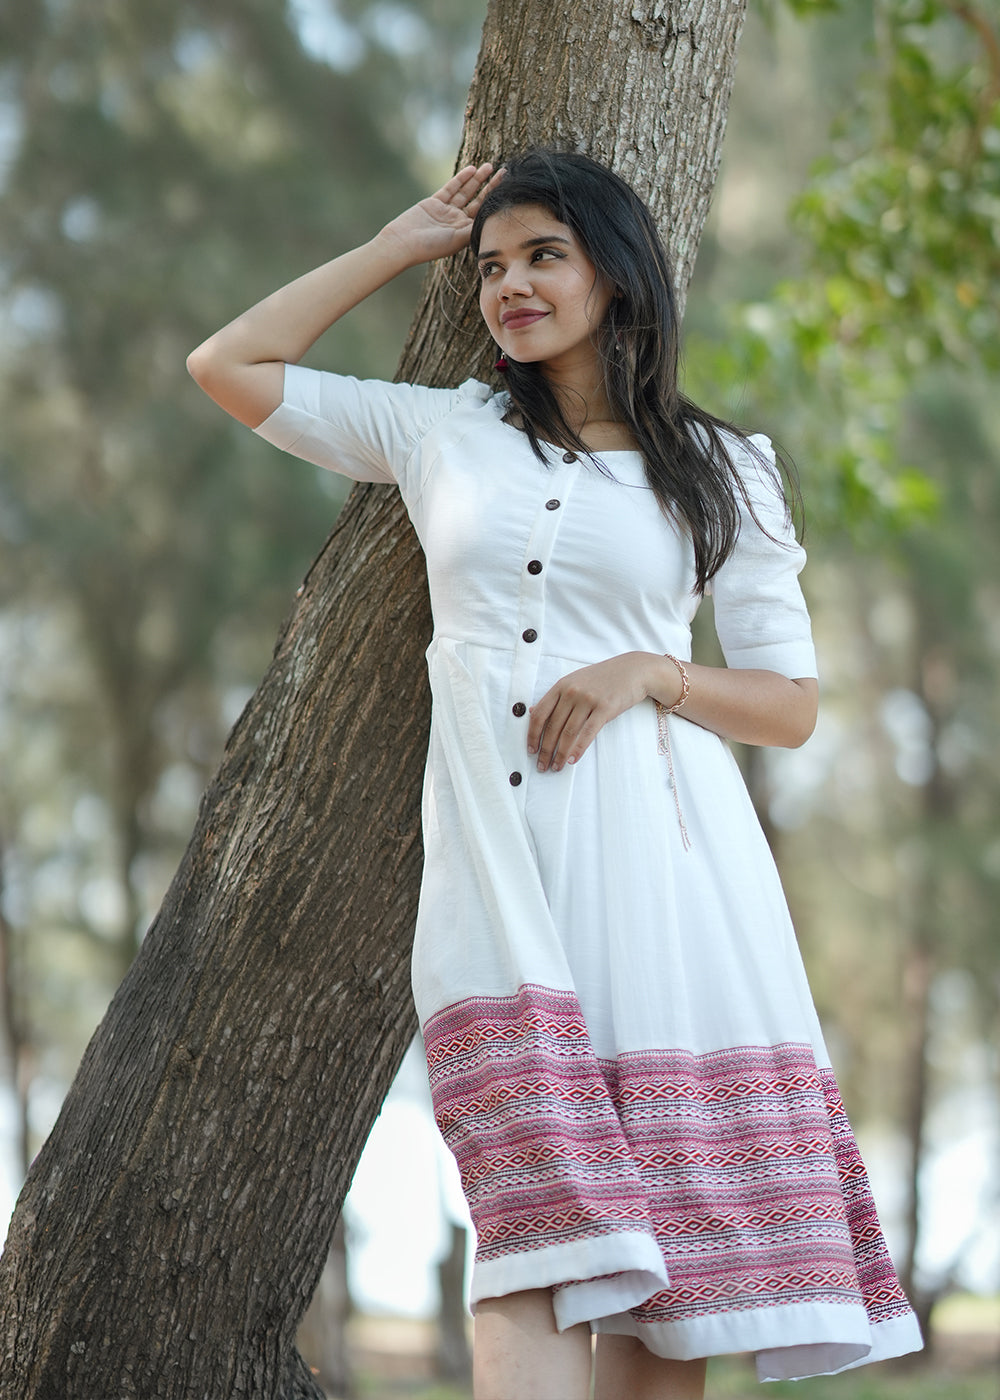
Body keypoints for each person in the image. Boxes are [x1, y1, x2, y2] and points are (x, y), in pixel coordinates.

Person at [187, 149, 922, 1399]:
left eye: (543, 256)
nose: (509, 286)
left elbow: (791, 707)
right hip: (498, 870)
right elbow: (229, 364)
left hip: (666, 873)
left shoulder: (723, 469)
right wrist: (400, 246)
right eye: (490, 266)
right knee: (524, 1229)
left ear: (615, 274)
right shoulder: (444, 433)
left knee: (672, 1274)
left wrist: (652, 671)